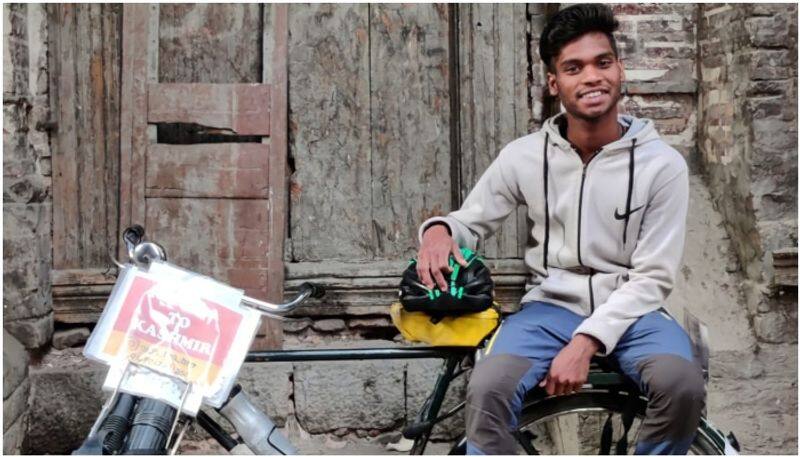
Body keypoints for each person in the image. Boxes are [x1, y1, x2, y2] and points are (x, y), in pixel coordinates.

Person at [415, 4, 705, 455]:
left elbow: (654, 277)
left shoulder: (662, 165)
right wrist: (438, 233)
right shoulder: (524, 156)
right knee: (488, 389)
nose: (592, 77)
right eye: (574, 68)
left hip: (634, 313)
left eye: (602, 63)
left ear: (619, 69)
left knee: (681, 385)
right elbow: (470, 221)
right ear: (555, 83)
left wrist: (587, 341)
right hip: (547, 310)